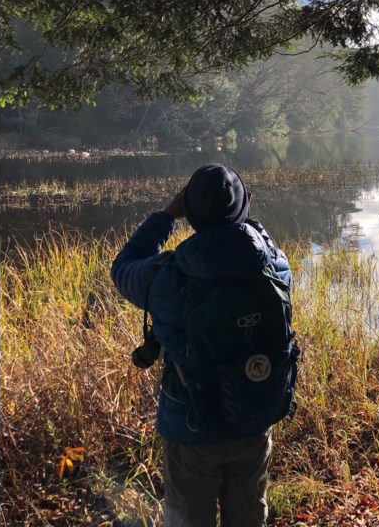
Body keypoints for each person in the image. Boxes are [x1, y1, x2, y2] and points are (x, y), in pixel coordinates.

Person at [111, 163, 291, 527]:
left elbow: (123, 267)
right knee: (249, 514)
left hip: (189, 424)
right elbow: (258, 242)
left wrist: (166, 215)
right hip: (254, 415)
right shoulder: (275, 266)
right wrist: (245, 217)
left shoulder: (166, 275)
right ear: (246, 206)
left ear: (189, 214)